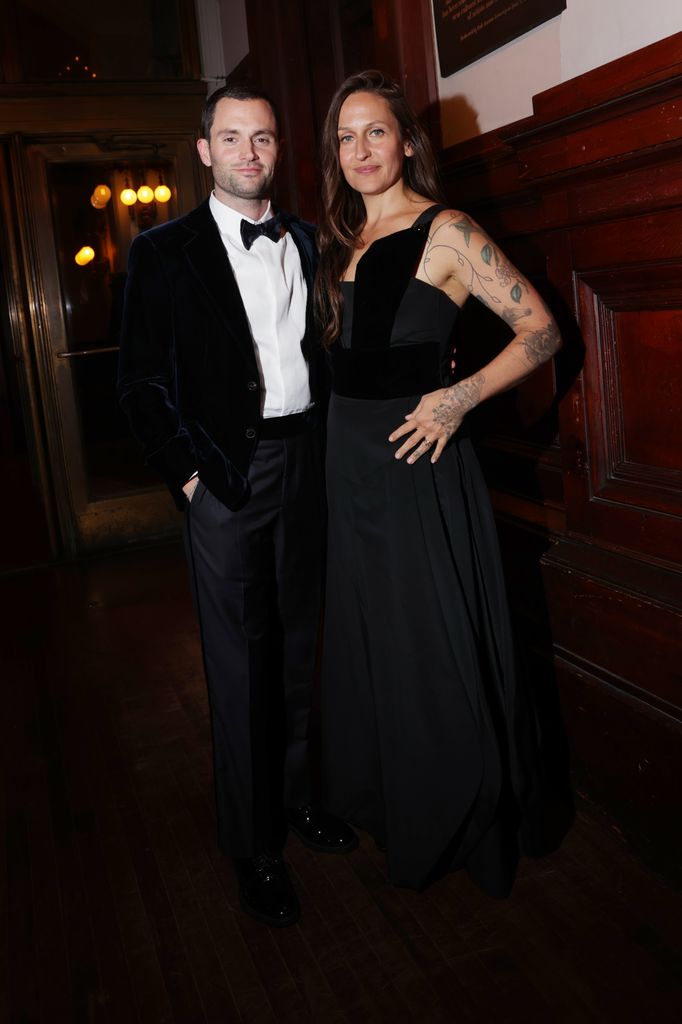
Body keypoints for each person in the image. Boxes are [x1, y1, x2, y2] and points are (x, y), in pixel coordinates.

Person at [315, 70, 561, 897]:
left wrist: (458, 398)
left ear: (408, 141)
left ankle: (464, 815)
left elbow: (543, 329)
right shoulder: (339, 238)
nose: (359, 150)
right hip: (347, 470)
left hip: (416, 465)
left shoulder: (447, 229)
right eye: (345, 137)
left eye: (375, 131)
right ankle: (399, 799)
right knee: (378, 640)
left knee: (431, 642)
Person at [118, 82, 356, 928]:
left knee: (299, 650)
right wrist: (189, 477)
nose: (249, 152)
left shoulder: (305, 236)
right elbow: (141, 385)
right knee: (238, 668)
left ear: (277, 150)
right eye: (232, 137)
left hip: (308, 467)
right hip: (226, 478)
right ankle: (253, 848)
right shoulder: (163, 252)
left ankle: (295, 799)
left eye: (263, 138)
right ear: (204, 150)